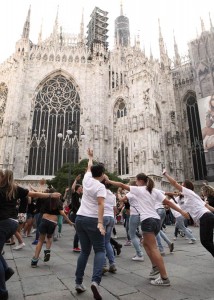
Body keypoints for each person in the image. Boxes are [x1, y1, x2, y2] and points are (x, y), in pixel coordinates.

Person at [105, 173, 189, 286]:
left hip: (147, 220)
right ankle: (155, 267)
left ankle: (164, 278)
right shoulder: (154, 190)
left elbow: (121, 184)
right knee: (144, 242)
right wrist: (181, 211)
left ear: (139, 180)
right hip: (156, 220)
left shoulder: (138, 190)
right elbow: (168, 202)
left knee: (153, 248)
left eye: (136, 180)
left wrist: (109, 181)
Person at [0, 169, 61, 300]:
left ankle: (2, 290)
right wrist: (51, 195)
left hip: (3, 223)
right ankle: (6, 269)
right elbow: (33, 193)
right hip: (12, 222)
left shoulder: (3, 189)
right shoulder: (15, 188)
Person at [74, 149, 106, 300]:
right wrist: (100, 222)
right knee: (100, 250)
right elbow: (101, 205)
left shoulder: (86, 179)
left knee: (84, 251)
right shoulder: (100, 186)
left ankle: (78, 282)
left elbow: (88, 167)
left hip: (79, 218)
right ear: (101, 174)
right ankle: (95, 281)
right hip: (92, 219)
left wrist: (90, 157)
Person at [163, 169, 214, 257]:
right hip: (207, 216)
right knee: (208, 241)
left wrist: (166, 174)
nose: (181, 185)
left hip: (205, 217)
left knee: (205, 242)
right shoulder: (189, 197)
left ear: (186, 187)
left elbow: (175, 183)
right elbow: (208, 208)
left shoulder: (189, 192)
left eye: (182, 184)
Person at [31, 190, 74, 267]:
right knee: (49, 237)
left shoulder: (45, 199)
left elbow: (37, 193)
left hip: (44, 220)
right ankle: (47, 251)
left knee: (40, 240)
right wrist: (69, 222)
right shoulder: (59, 202)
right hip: (53, 222)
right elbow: (62, 213)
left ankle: (34, 260)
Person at [117, 181, 144, 261]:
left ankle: (139, 254)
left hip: (134, 214)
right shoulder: (140, 193)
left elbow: (121, 199)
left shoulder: (130, 194)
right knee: (133, 232)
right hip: (141, 214)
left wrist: (118, 192)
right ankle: (138, 251)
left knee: (131, 234)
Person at [102, 179, 117, 274]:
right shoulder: (113, 195)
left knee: (101, 242)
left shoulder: (101, 193)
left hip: (103, 217)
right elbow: (115, 208)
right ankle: (112, 264)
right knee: (107, 242)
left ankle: (103, 265)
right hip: (111, 218)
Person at [68, 175, 82, 252]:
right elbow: (72, 188)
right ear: (78, 189)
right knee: (78, 231)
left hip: (78, 214)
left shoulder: (80, 196)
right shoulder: (74, 194)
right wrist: (76, 180)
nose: (82, 189)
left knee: (80, 230)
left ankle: (77, 245)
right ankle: (75, 246)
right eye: (80, 188)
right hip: (74, 215)